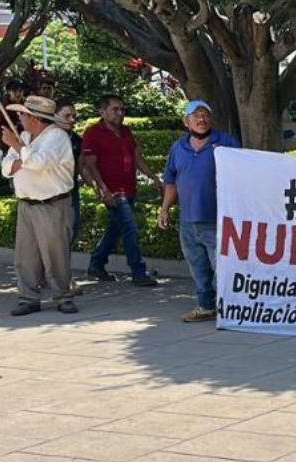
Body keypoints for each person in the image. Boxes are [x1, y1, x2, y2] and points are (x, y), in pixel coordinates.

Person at [158, 100, 240, 323]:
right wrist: (164, 209)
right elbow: (171, 181)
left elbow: (242, 174)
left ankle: (227, 305)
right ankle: (205, 306)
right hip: (187, 220)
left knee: (222, 265)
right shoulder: (178, 148)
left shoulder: (226, 143)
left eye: (205, 115)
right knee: (197, 267)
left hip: (217, 219)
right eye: (196, 115)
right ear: (186, 122)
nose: (201, 119)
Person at [0, 95, 77, 316]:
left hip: (51, 204)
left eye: (22, 114)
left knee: (56, 254)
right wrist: (21, 154)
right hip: (26, 204)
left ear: (34, 118)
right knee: (25, 256)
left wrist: (19, 150)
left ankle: (63, 296)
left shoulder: (57, 137)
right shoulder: (24, 136)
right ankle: (28, 298)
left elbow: (40, 164)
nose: (19, 117)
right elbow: (6, 168)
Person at [80, 95, 160, 286]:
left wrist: (154, 178)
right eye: (115, 109)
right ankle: (138, 271)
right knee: (130, 228)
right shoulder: (92, 133)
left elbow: (136, 157)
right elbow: (90, 165)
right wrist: (102, 190)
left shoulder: (126, 131)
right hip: (113, 192)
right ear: (103, 111)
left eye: (122, 109)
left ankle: (96, 265)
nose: (120, 113)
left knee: (116, 230)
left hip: (129, 188)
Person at [55, 105, 86, 296]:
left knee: (71, 230)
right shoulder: (46, 138)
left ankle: (60, 275)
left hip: (70, 190)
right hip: (50, 193)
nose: (72, 119)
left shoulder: (75, 140)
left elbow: (82, 166)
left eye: (74, 116)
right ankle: (61, 279)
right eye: (67, 115)